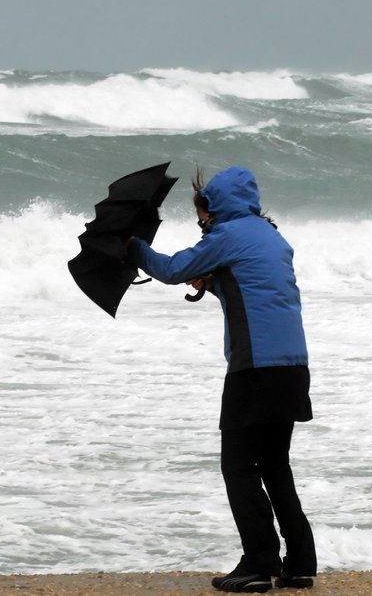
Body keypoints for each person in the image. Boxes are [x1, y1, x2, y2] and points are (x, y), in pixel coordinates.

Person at [127, 166, 317, 593]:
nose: (201, 224)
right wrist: (215, 283)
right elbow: (255, 289)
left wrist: (133, 247)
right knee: (274, 465)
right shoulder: (270, 235)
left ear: (214, 208)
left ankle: (258, 562)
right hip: (292, 366)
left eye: (201, 215)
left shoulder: (226, 236)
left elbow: (173, 268)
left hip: (255, 368)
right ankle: (300, 562)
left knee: (237, 467)